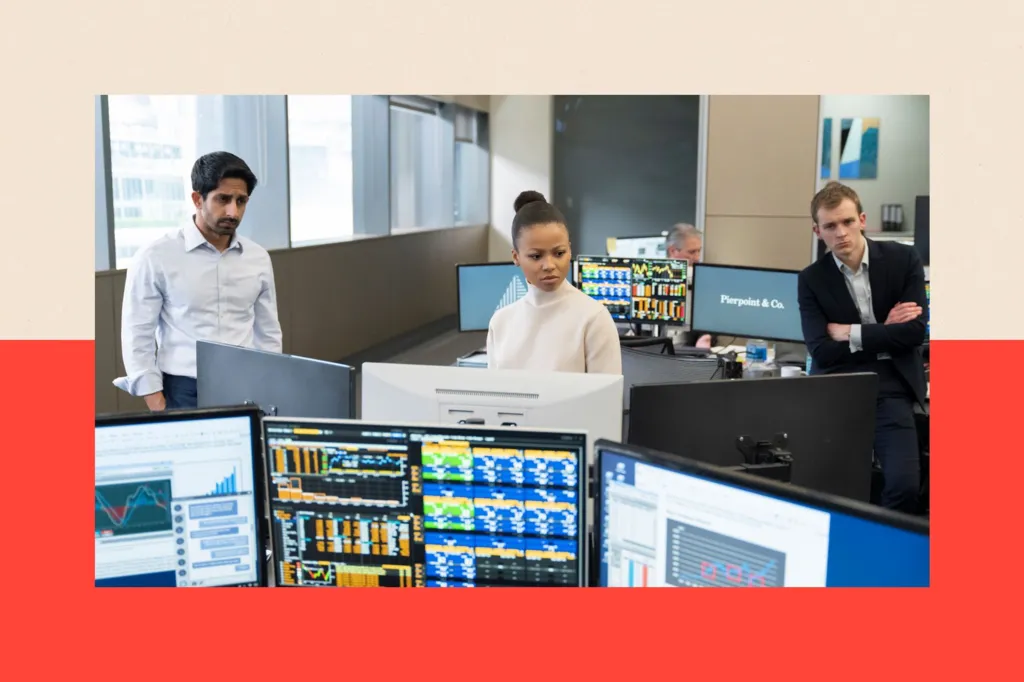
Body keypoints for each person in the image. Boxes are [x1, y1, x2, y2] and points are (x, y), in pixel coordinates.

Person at [114, 151, 283, 411]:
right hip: (182, 389)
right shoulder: (156, 256)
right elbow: (137, 333)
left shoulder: (257, 258)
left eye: (241, 201)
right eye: (223, 199)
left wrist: (269, 386)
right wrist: (156, 401)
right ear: (197, 199)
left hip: (246, 385)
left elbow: (268, 331)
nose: (233, 211)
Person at [797, 181, 927, 513]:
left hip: (892, 383)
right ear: (817, 231)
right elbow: (822, 350)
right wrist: (885, 331)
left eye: (847, 222)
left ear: (862, 220)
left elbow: (913, 332)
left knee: (904, 486)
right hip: (838, 383)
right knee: (832, 487)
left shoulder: (903, 258)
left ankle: (886, 551)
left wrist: (848, 333)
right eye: (830, 226)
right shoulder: (811, 278)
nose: (841, 232)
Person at [487, 191, 621, 374]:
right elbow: (496, 397)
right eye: (536, 256)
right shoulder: (501, 322)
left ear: (570, 250)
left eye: (559, 253)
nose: (549, 265)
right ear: (516, 257)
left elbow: (608, 399)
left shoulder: (594, 318)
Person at [665, 223, 713, 349]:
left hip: (688, 352)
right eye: (692, 252)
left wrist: (705, 337)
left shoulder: (702, 281)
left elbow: (709, 324)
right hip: (652, 352)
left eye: (699, 251)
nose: (697, 257)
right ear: (672, 251)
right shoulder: (649, 278)